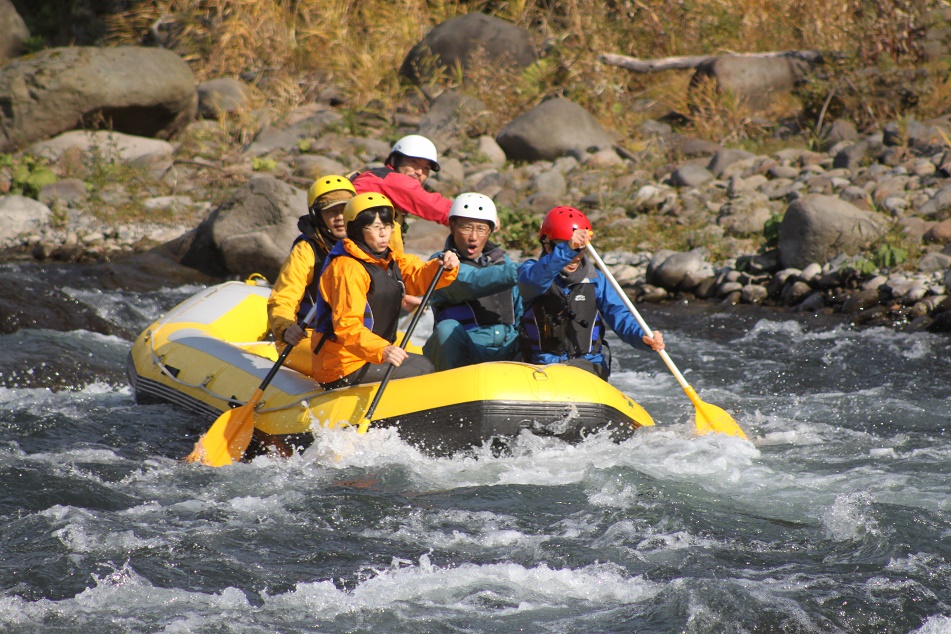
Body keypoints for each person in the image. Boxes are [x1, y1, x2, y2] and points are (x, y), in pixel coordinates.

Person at [312, 192, 460, 389]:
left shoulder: (388, 259)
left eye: (387, 226)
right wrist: (382, 350)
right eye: (375, 227)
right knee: (423, 368)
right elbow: (347, 327)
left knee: (423, 363)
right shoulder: (347, 268)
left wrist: (444, 266)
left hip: (369, 356)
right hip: (343, 365)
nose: (384, 234)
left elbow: (419, 276)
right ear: (357, 231)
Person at [517, 206, 665, 379]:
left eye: (579, 248)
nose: (574, 255)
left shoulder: (597, 280)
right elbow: (534, 282)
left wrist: (642, 336)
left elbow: (621, 316)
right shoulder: (529, 272)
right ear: (547, 245)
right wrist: (567, 249)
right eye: (563, 245)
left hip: (587, 368)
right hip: (541, 368)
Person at [423, 193, 522, 371]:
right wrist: (522, 271)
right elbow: (471, 281)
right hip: (466, 349)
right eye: (467, 228)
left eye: (481, 229)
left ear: (491, 231)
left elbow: (521, 308)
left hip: (508, 347)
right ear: (452, 226)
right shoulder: (439, 263)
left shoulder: (503, 262)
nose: (473, 237)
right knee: (447, 328)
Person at [267, 175, 354, 377]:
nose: (340, 217)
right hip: (307, 338)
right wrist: (286, 327)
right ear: (318, 216)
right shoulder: (306, 249)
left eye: (344, 209)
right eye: (332, 212)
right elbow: (284, 297)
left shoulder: (366, 244)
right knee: (340, 362)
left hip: (352, 336)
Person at [351, 134, 452, 253]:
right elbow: (435, 207)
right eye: (414, 162)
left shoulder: (379, 175)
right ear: (394, 160)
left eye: (426, 168)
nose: (420, 172)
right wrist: (468, 217)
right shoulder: (391, 180)